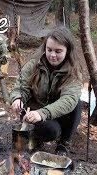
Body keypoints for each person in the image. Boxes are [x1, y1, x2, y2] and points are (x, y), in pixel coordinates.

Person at [9, 26, 84, 155]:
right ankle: (36, 138)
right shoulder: (34, 64)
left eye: (58, 51)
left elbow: (68, 100)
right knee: (51, 131)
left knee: (77, 103)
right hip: (32, 111)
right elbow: (22, 86)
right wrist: (17, 98)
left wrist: (43, 113)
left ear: (67, 51)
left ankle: (63, 144)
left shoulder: (73, 72)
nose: (52, 55)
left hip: (56, 113)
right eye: (49, 50)